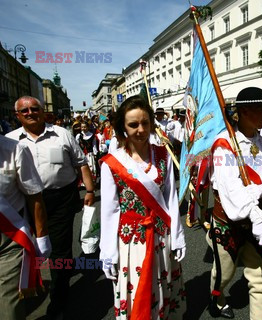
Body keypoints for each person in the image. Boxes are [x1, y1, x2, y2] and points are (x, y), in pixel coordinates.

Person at [6, 96, 95, 319]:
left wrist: (91, 190)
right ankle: (26, 289)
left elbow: (81, 162)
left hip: (60, 199)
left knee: (59, 250)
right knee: (25, 248)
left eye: (34, 108)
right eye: (24, 110)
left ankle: (59, 299)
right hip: (24, 201)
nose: (29, 113)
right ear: (17, 115)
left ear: (43, 111)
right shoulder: (9, 140)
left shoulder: (61, 134)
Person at [100, 95, 186, 319]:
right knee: (137, 290)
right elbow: (109, 211)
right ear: (123, 127)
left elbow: (171, 199)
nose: (140, 129)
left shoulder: (163, 156)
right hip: (132, 243)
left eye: (145, 123)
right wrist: (108, 252)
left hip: (161, 237)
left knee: (161, 286)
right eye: (133, 124)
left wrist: (177, 236)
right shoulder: (112, 163)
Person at [207, 87, 262, 319]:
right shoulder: (224, 145)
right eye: (261, 110)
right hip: (228, 222)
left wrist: (260, 189)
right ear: (243, 112)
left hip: (257, 220)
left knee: (260, 278)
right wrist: (260, 194)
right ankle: (217, 298)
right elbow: (235, 198)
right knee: (224, 275)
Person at [0, 100, 50, 319]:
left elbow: (34, 197)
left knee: (8, 312)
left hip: (4, 243)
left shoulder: (13, 149)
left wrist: (41, 237)